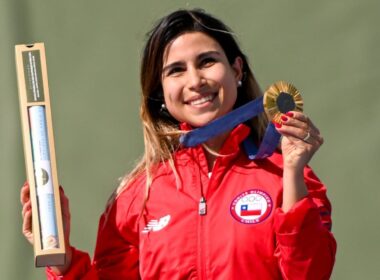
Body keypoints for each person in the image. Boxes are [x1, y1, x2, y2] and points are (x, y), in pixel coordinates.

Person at [20, 8, 336, 279]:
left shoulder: (286, 178)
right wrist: (61, 263)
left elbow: (309, 273)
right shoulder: (137, 197)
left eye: (207, 61)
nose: (195, 81)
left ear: (236, 69)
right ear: (160, 90)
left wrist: (293, 174)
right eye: (176, 70)